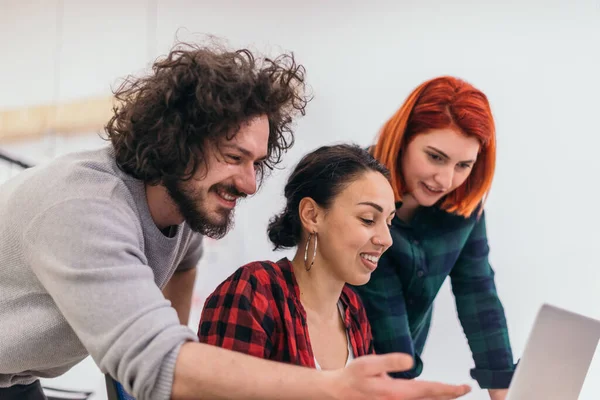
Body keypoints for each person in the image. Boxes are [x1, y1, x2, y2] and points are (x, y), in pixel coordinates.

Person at [0, 40, 471, 400]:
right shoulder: (85, 210)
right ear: (174, 142)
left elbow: (171, 305)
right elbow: (159, 362)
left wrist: (166, 343)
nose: (249, 184)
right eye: (233, 157)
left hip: (17, 376)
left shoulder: (183, 218)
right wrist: (332, 388)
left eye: (257, 163)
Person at [353, 76, 517, 400]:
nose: (445, 179)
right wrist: (405, 386)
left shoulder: (465, 206)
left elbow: (477, 291)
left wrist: (504, 390)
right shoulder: (356, 185)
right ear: (404, 139)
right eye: (435, 157)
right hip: (338, 365)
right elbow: (381, 302)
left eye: (463, 165)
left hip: (401, 376)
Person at [199, 144, 396, 368]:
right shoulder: (256, 290)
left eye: (389, 222)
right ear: (311, 215)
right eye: (368, 219)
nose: (386, 239)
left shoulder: (354, 309)